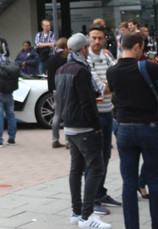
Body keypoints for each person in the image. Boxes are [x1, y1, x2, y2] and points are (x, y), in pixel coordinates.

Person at [108, 32, 158, 229]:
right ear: (137, 47)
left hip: (124, 130)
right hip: (148, 129)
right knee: (154, 181)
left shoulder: (112, 71)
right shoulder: (145, 66)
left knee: (128, 183)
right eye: (142, 47)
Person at [57, 33, 109, 228]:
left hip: (69, 125)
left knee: (76, 168)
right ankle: (87, 216)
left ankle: (76, 211)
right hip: (84, 126)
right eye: (86, 47)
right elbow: (87, 101)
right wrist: (97, 126)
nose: (88, 49)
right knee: (96, 168)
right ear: (83, 50)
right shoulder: (81, 70)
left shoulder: (62, 69)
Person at [87, 25, 121, 209]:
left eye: (100, 38)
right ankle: (91, 199)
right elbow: (101, 87)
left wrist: (111, 84)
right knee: (93, 159)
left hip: (108, 113)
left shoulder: (107, 56)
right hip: (94, 116)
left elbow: (116, 80)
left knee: (105, 156)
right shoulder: (87, 59)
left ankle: (100, 193)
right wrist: (113, 84)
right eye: (93, 38)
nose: (97, 41)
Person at [48, 37, 69, 148]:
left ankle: (55, 140)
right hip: (65, 88)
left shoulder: (52, 58)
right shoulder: (66, 58)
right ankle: (68, 141)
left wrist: (51, 89)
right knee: (66, 113)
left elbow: (49, 75)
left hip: (55, 89)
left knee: (57, 114)